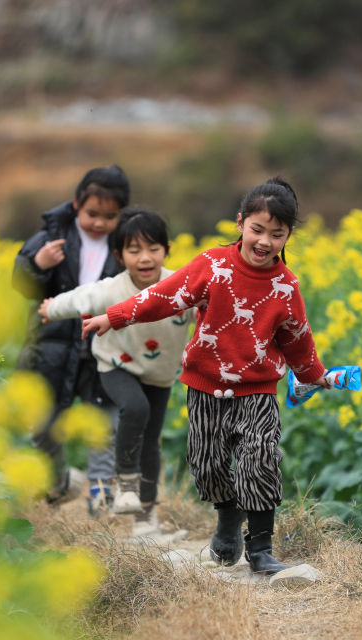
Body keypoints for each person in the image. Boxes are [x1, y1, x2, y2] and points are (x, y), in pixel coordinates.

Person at [82, 177, 330, 574]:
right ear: (240, 223)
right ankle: (228, 516)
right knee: (208, 465)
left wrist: (313, 373)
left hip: (257, 390)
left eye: (277, 234)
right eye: (257, 230)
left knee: (260, 458)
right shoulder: (213, 265)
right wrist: (113, 317)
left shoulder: (286, 287)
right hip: (205, 386)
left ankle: (261, 547)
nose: (265, 241)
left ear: (288, 237)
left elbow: (298, 336)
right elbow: (162, 296)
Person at [38, 208, 194, 536]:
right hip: (116, 365)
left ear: (167, 250)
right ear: (119, 256)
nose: (145, 258)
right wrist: (51, 309)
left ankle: (145, 520)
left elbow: (213, 307)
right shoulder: (111, 289)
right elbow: (79, 298)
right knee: (135, 408)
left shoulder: (182, 287)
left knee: (151, 442)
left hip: (160, 372)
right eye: (134, 250)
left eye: (153, 248)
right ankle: (124, 484)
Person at [12, 164, 130, 510]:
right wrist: (38, 264)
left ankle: (99, 501)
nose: (99, 223)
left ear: (120, 215)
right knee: (43, 425)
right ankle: (57, 483)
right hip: (53, 349)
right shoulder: (52, 236)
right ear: (77, 204)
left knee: (103, 430)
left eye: (109, 217)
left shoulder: (125, 244)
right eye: (92, 213)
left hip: (102, 349)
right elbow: (20, 283)